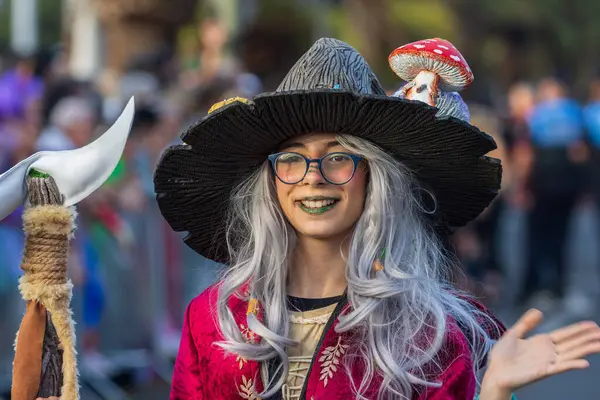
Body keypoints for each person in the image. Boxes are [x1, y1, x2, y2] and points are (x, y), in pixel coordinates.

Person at [150, 38, 600, 400]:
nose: (313, 179)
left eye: (339, 157)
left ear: (375, 179)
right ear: (270, 180)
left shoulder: (434, 334)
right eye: (292, 159)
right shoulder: (213, 319)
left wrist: (494, 393)